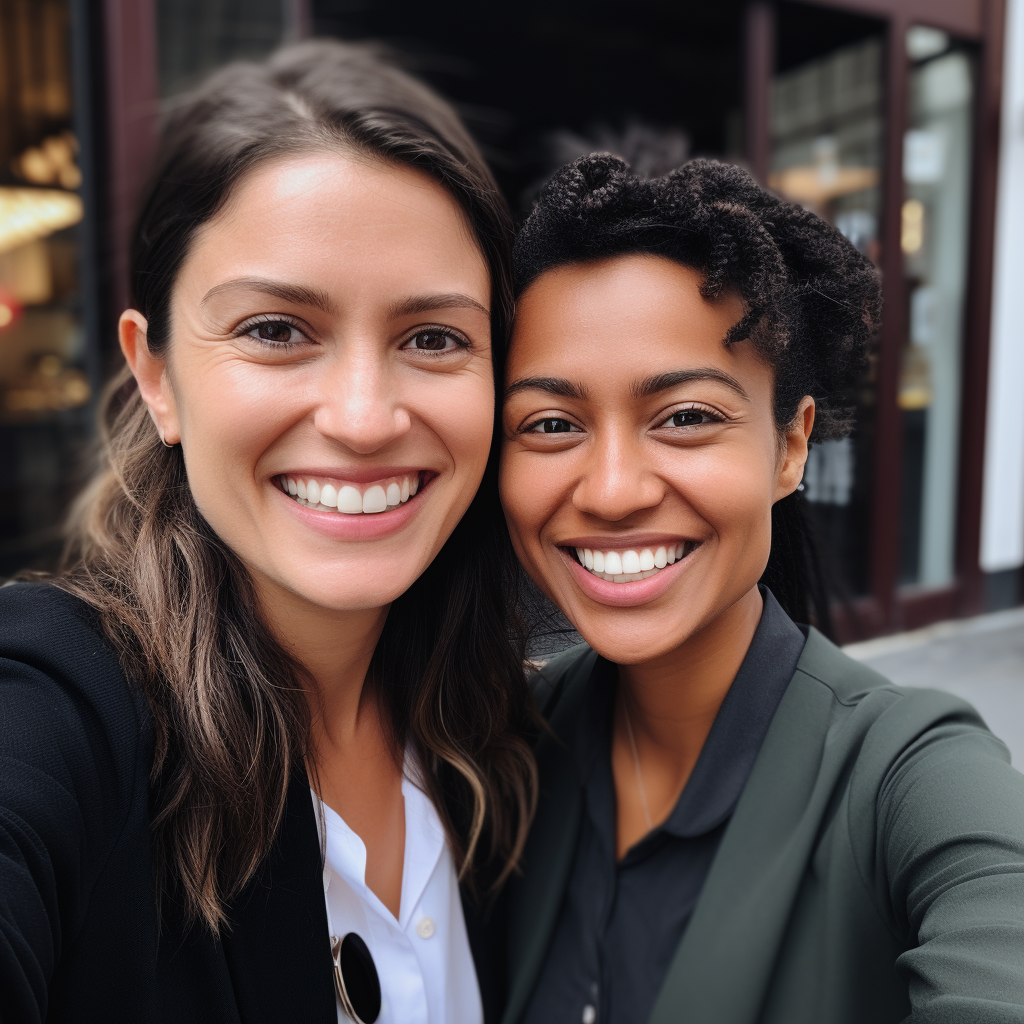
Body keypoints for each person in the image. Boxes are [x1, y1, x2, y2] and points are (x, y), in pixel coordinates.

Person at [0, 40, 536, 1024]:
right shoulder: (64, 702)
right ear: (154, 373)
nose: (365, 416)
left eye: (433, 338)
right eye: (276, 329)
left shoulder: (498, 735)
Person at [498, 154, 1024, 1024]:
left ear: (791, 446)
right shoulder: (515, 745)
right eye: (552, 424)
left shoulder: (908, 776)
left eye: (688, 418)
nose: (613, 489)